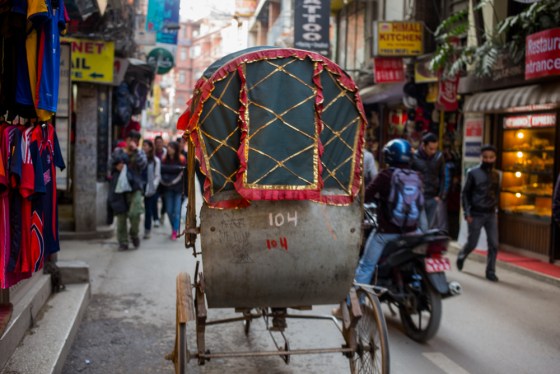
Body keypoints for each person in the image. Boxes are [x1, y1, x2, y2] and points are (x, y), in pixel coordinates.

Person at [333, 139, 423, 317]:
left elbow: (365, 197)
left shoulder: (385, 175)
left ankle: (352, 308)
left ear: (389, 156)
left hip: (387, 233)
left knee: (365, 266)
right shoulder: (417, 176)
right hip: (413, 232)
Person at [457, 144, 501, 282]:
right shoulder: (472, 173)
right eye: (486, 157)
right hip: (476, 213)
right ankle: (462, 255)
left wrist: (496, 209)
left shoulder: (497, 175)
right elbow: (465, 194)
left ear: (495, 158)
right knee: (472, 243)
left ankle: (490, 271)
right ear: (481, 157)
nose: (488, 160)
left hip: (491, 214)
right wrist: (467, 213)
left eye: (491, 157)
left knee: (494, 243)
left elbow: (497, 193)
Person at [411, 132, 446, 231]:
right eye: (431, 148)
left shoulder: (439, 157)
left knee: (428, 226)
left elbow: (443, 176)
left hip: (432, 197)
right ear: (423, 145)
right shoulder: (414, 157)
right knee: (419, 225)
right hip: (417, 197)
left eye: (435, 148)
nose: (433, 151)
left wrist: (440, 195)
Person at [122, 130, 147, 249]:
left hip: (136, 187)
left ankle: (134, 233)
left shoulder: (140, 153)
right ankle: (123, 242)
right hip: (120, 189)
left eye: (136, 141)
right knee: (121, 216)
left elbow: (143, 164)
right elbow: (110, 165)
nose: (132, 143)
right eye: (131, 140)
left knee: (135, 213)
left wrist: (135, 150)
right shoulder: (119, 151)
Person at [160, 141, 186, 240]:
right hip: (167, 189)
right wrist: (175, 169)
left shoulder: (182, 159)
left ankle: (175, 230)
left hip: (178, 189)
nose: (169, 149)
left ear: (175, 149)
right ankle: (174, 227)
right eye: (168, 147)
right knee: (169, 211)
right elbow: (161, 171)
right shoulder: (163, 159)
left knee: (177, 211)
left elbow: (185, 173)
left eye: (171, 147)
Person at [107, 148, 131, 250]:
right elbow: (112, 193)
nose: (121, 165)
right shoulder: (115, 176)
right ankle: (123, 242)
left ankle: (127, 239)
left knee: (126, 222)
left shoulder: (127, 174)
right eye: (119, 163)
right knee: (121, 224)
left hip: (126, 202)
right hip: (118, 203)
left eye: (122, 163)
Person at [142, 140, 161, 239]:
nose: (143, 147)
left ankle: (147, 229)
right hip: (140, 186)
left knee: (148, 210)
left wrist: (153, 186)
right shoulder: (140, 158)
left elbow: (157, 176)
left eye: (145, 145)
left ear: (150, 147)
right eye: (143, 145)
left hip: (151, 188)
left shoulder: (155, 160)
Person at [153, 135, 167, 227]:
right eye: (157, 142)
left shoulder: (166, 153)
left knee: (165, 201)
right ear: (155, 144)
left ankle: (162, 214)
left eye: (160, 142)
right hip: (155, 181)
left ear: (163, 143)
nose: (159, 144)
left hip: (165, 181)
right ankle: (155, 219)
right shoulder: (152, 154)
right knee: (154, 200)